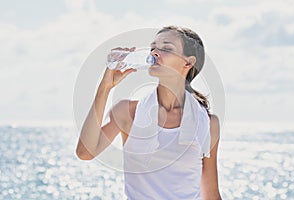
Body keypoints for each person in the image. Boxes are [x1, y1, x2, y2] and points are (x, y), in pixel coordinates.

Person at [76, 25, 222, 200]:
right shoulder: (128, 113)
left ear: (188, 63)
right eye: (153, 47)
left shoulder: (207, 122)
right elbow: (85, 152)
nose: (154, 53)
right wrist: (105, 87)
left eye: (166, 48)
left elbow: (211, 194)